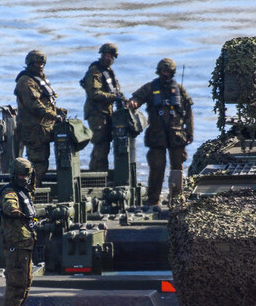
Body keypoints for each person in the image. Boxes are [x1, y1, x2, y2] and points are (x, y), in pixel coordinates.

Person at [127, 58, 194, 206]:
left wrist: (190, 132)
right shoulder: (151, 87)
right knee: (157, 168)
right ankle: (153, 200)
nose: (166, 74)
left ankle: (176, 200)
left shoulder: (179, 89)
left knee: (177, 168)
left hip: (176, 135)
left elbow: (188, 112)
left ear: (172, 72)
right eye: (163, 71)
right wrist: (133, 103)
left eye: (168, 71)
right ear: (159, 71)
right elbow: (137, 97)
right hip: (157, 135)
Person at [0, 158, 39, 306]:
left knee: (24, 288)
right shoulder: (10, 192)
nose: (25, 178)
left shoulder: (26, 193)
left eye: (27, 175)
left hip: (26, 246)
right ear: (15, 175)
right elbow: (8, 203)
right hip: (16, 247)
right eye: (22, 175)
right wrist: (13, 209)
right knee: (15, 289)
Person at [14, 50, 66, 184]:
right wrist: (54, 115)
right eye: (37, 63)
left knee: (42, 163)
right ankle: (31, 191)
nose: (40, 66)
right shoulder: (25, 81)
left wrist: (58, 110)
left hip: (42, 129)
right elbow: (34, 105)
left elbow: (45, 102)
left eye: (42, 63)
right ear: (30, 64)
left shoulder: (39, 79)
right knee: (37, 163)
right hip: (33, 130)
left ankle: (34, 189)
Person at [80, 42, 122, 172]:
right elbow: (94, 93)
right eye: (106, 55)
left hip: (106, 112)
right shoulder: (95, 71)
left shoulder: (109, 72)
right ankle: (96, 175)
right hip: (96, 113)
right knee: (100, 144)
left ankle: (101, 173)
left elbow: (116, 90)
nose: (108, 58)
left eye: (111, 56)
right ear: (102, 55)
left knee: (105, 145)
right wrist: (113, 97)